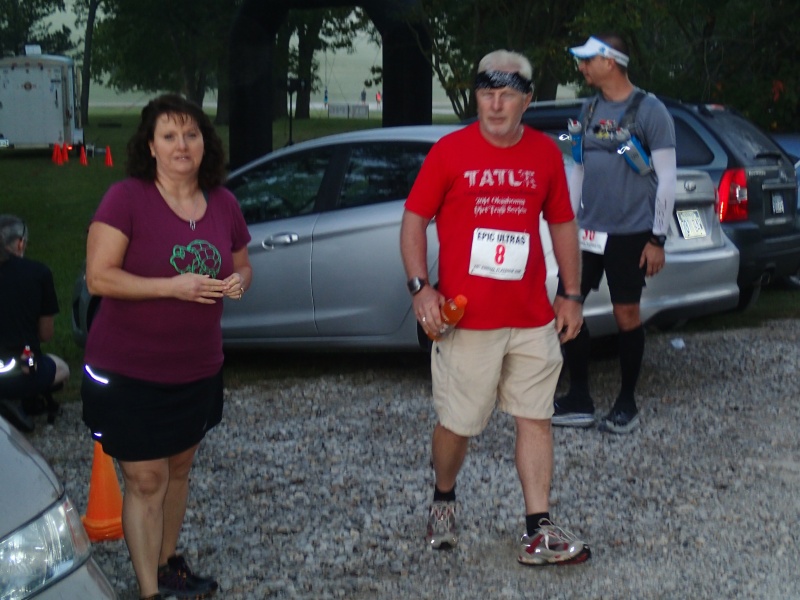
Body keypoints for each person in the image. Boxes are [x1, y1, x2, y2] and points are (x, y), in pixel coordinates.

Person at [400, 49, 591, 566]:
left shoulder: (545, 153)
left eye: (507, 94)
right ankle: (444, 497)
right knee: (458, 424)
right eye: (487, 93)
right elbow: (414, 219)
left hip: (531, 316)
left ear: (527, 100)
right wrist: (421, 288)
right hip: (468, 319)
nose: (496, 104)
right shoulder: (450, 151)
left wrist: (571, 294)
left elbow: (562, 223)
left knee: (536, 418)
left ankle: (538, 528)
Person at [80, 94, 252, 600]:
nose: (182, 145)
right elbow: (98, 277)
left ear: (205, 143)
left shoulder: (223, 202)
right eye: (170, 136)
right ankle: (150, 591)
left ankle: (168, 562)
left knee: (178, 470)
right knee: (147, 479)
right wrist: (171, 287)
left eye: (191, 134)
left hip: (197, 368)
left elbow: (242, 263)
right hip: (129, 369)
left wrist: (238, 281)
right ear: (151, 146)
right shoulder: (126, 199)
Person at [552, 34, 676, 434]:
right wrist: (568, 221)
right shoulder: (587, 110)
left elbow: (667, 178)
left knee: (626, 314)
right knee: (566, 305)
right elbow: (578, 167)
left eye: (587, 60)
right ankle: (579, 397)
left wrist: (657, 239)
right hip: (587, 232)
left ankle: (626, 403)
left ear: (610, 61)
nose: (581, 67)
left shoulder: (650, 111)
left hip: (631, 232)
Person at [0, 215, 70, 430]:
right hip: (23, 364)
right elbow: (45, 334)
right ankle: (21, 397)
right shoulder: (38, 273)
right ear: (20, 243)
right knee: (59, 367)